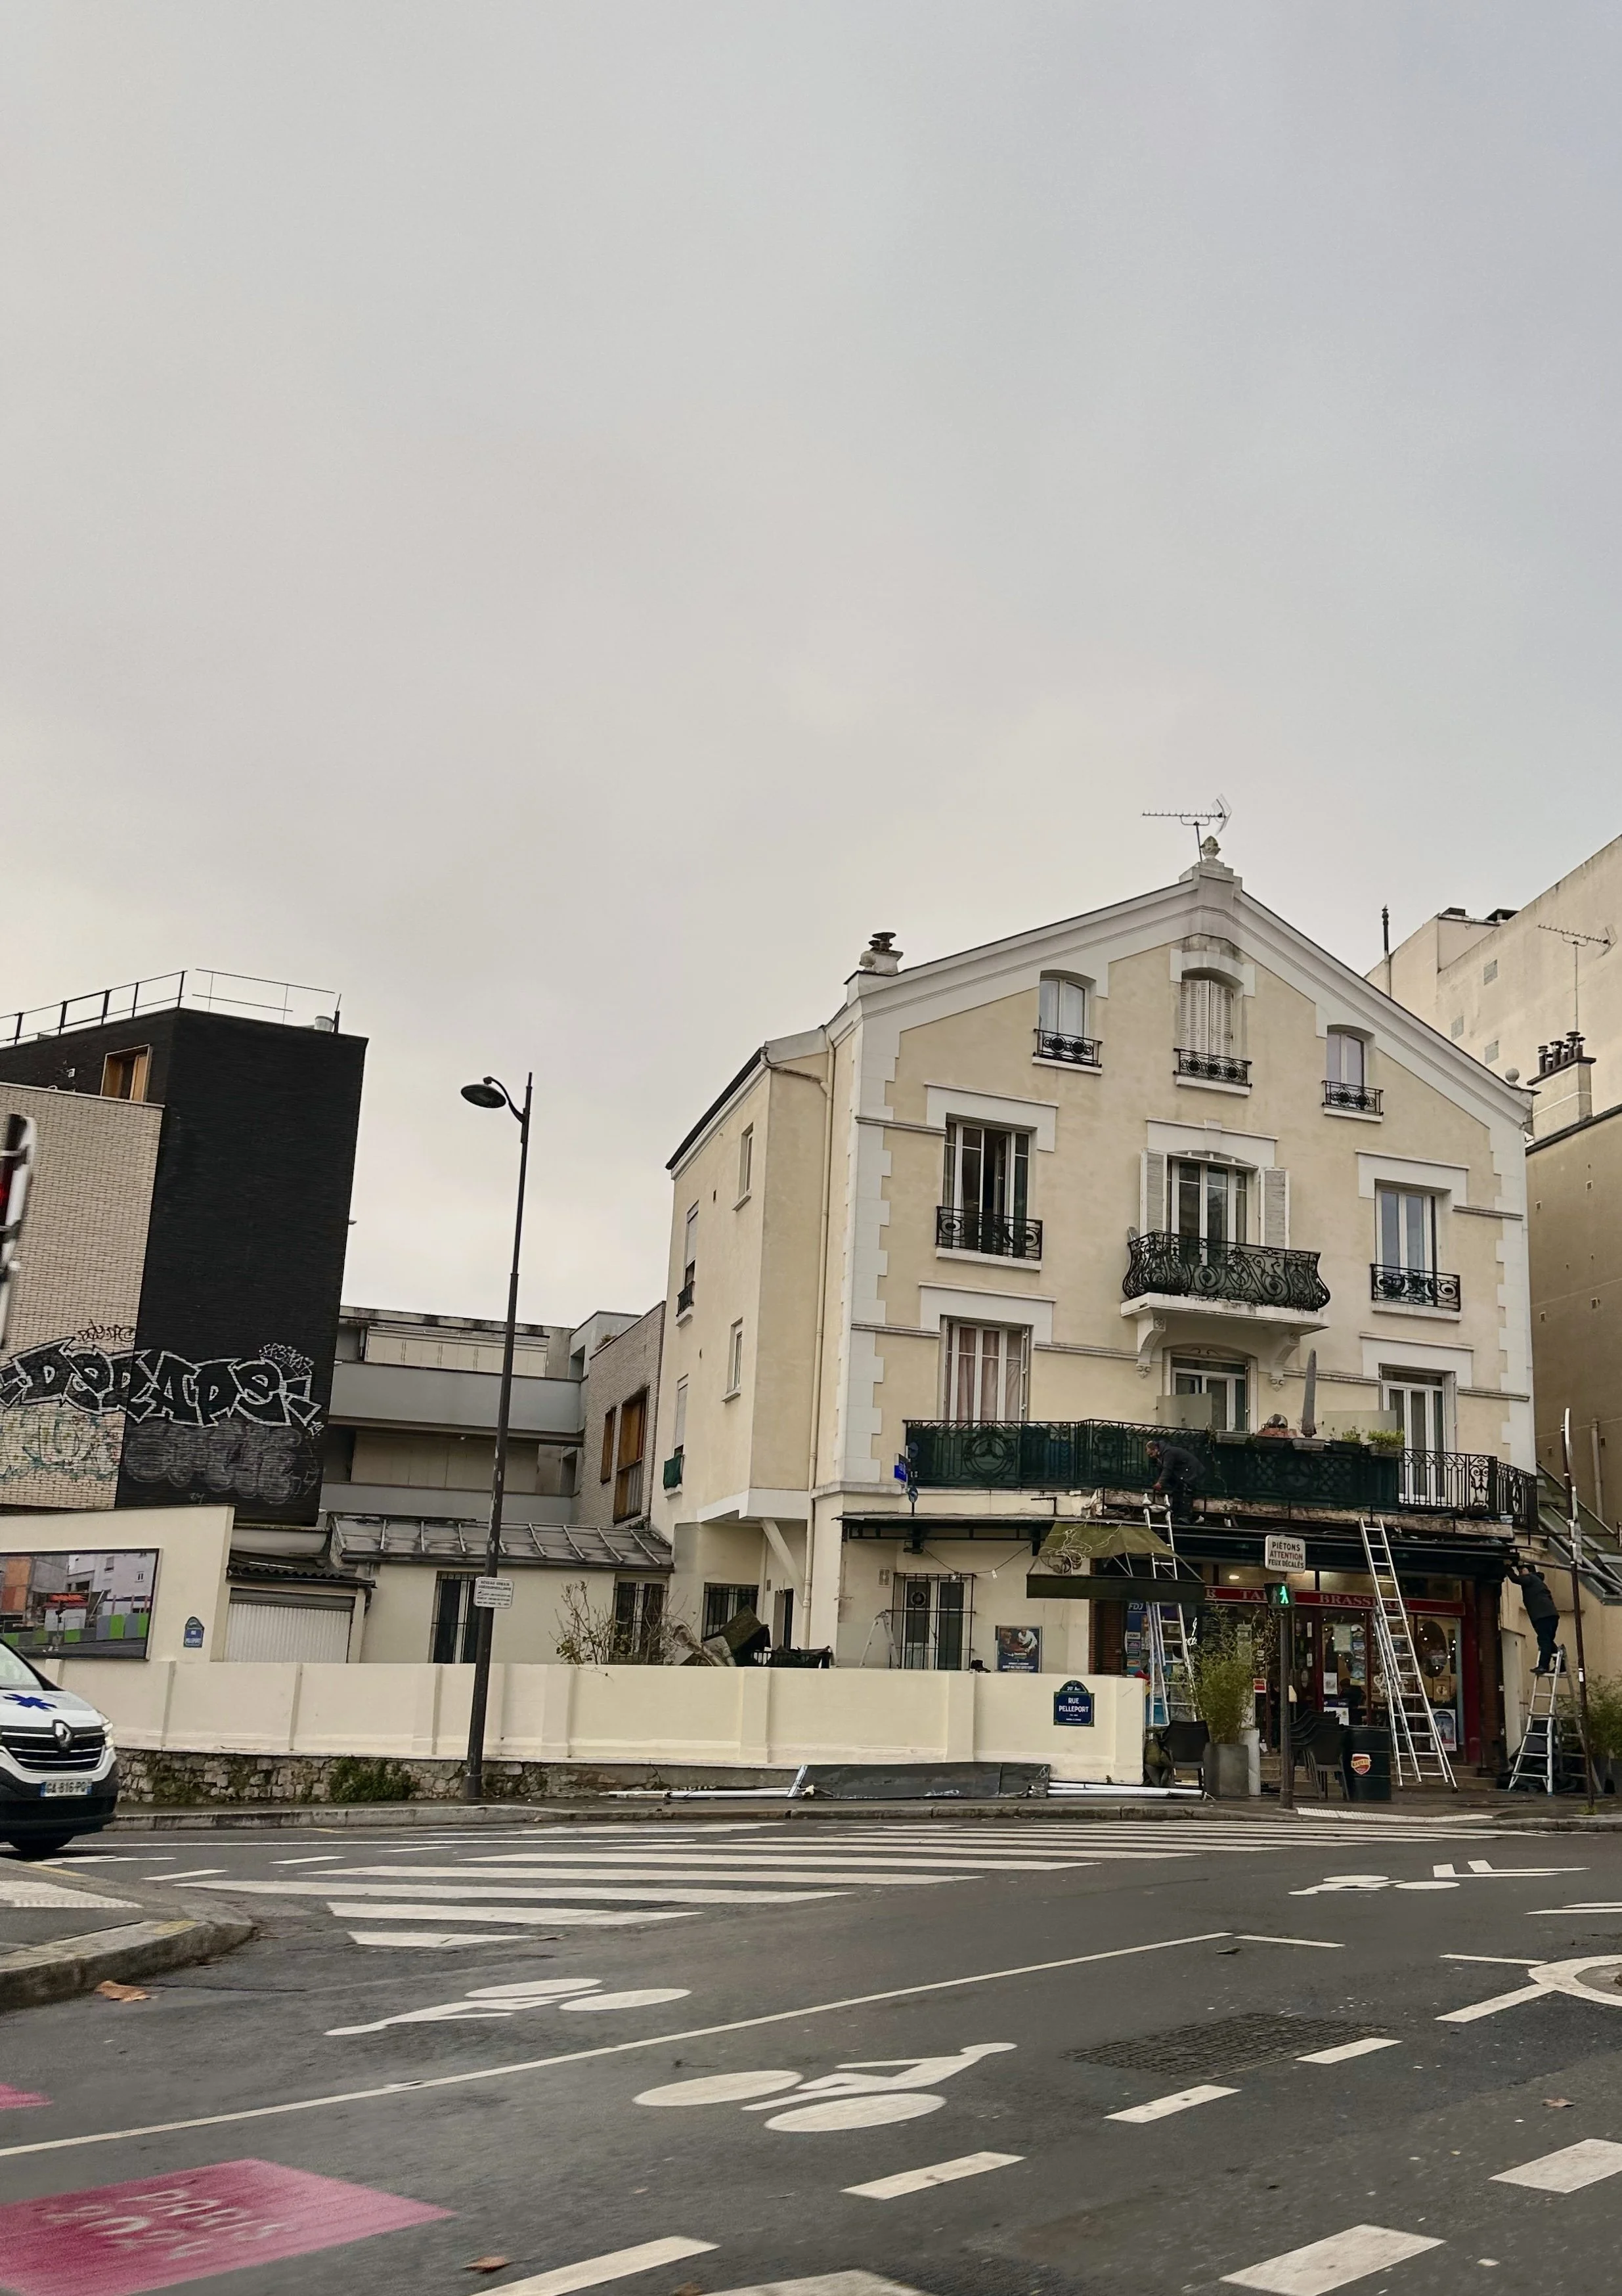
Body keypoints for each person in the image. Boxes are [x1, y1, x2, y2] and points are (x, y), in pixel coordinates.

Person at [1507, 1558, 1562, 1673]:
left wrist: (1506, 1568)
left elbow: (1514, 1579)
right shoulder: (1538, 1581)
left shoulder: (1530, 1578)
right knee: (1548, 1640)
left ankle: (1543, 1666)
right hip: (1551, 1615)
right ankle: (1560, 1665)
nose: (1520, 1573)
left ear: (1528, 1571)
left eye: (1522, 1570)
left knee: (1544, 1641)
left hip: (1542, 1616)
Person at [1146, 1436, 1204, 1526]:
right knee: (1178, 1490)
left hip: (1191, 1471)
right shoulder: (1163, 1454)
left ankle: (1185, 1516)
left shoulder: (1168, 1453)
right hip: (1185, 1472)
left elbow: (1167, 1469)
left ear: (1156, 1449)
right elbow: (1163, 1470)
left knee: (1185, 1490)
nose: (1151, 1457)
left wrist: (1160, 1483)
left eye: (1151, 1454)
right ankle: (1178, 1515)